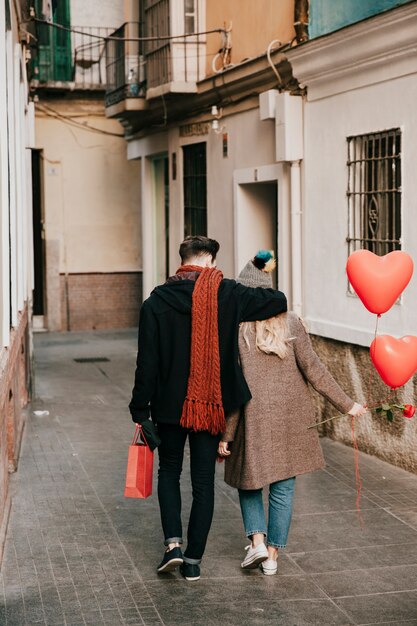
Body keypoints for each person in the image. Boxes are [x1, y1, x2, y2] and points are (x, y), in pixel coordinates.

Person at [129, 237, 287, 581]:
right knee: (203, 483)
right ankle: (194, 560)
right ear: (211, 262)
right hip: (210, 405)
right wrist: (249, 274)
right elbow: (277, 300)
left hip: (168, 407)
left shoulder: (155, 302)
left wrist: (140, 411)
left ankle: (172, 546)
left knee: (169, 473)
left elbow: (147, 364)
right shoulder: (226, 293)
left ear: (181, 261)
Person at [218, 251, 366, 575]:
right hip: (292, 419)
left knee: (250, 483)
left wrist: (226, 435)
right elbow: (315, 370)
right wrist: (348, 404)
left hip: (252, 418)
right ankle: (272, 557)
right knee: (283, 490)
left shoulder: (238, 331)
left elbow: (234, 388)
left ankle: (256, 542)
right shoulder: (292, 322)